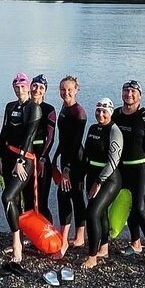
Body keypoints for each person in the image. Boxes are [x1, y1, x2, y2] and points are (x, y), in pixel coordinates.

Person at [113, 80, 145, 265]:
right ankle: (135, 244)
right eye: (126, 90)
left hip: (140, 168)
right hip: (121, 167)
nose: (129, 94)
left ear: (139, 96)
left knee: (140, 207)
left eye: (133, 91)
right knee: (128, 206)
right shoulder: (116, 114)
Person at [0, 73, 41, 263]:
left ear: (29, 87)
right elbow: (4, 133)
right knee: (14, 200)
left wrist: (21, 160)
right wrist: (0, 157)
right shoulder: (10, 106)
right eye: (16, 86)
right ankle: (19, 239)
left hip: (24, 160)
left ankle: (17, 245)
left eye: (23, 86)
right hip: (8, 157)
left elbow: (29, 135)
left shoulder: (34, 108)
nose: (20, 89)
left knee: (6, 197)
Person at [79, 98, 123, 270]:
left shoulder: (114, 131)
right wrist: (82, 176)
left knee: (92, 213)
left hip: (109, 179)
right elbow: (86, 155)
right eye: (98, 110)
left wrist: (99, 181)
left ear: (110, 112)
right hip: (92, 175)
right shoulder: (92, 128)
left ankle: (92, 257)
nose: (101, 114)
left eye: (104, 111)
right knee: (101, 213)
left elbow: (113, 161)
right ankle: (103, 249)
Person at [53, 76, 87, 256]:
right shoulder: (64, 108)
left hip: (76, 160)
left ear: (76, 90)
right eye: (63, 89)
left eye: (69, 90)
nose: (66, 93)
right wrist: (54, 158)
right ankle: (78, 237)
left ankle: (66, 240)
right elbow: (63, 139)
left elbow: (74, 142)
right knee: (72, 196)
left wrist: (66, 169)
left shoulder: (79, 113)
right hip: (65, 156)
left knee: (66, 195)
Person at [22, 74, 57, 223]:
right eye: (35, 86)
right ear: (30, 87)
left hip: (41, 157)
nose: (37, 90)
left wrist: (42, 158)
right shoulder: (25, 106)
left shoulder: (49, 109)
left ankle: (47, 230)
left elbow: (50, 137)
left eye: (41, 87)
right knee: (27, 199)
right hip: (26, 156)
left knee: (41, 201)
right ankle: (29, 231)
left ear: (45, 91)